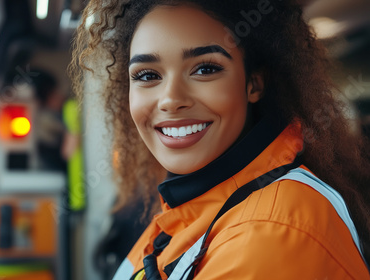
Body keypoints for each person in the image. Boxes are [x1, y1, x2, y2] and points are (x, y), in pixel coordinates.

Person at [70, 0, 370, 279]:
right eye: (147, 75)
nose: (171, 100)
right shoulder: (191, 208)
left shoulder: (269, 232)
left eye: (205, 69)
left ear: (254, 84)